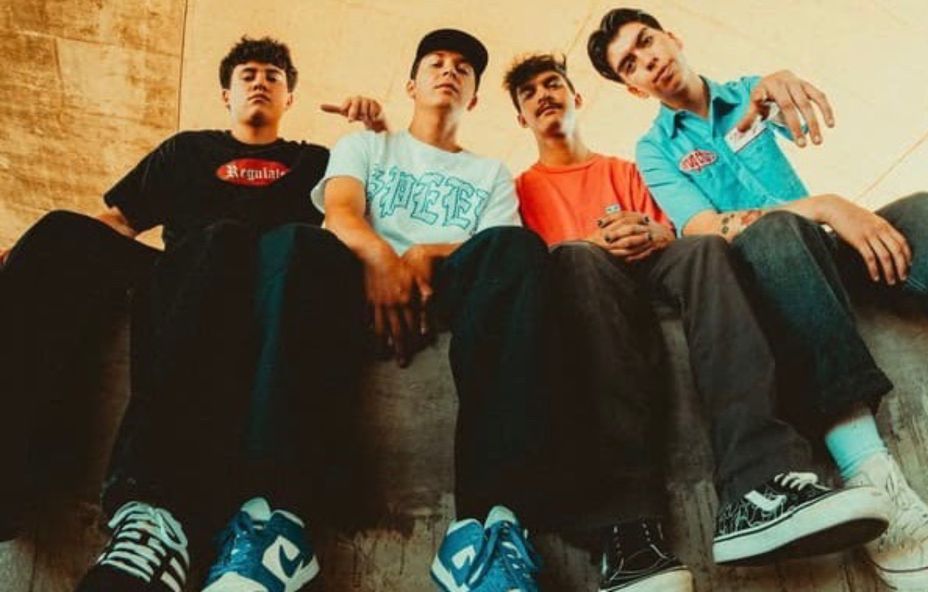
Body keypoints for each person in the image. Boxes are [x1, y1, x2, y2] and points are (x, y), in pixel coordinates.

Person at [588, 7, 928, 590]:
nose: (647, 60)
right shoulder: (654, 149)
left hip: (820, 252)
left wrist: (781, 86)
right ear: (632, 88)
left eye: (647, 42)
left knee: (924, 211)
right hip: (761, 272)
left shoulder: (750, 92)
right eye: (630, 64)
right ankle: (871, 475)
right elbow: (703, 228)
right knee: (775, 232)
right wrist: (827, 204)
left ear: (672, 37)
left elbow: (792, 113)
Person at [0, 36, 383, 592]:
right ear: (226, 93)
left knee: (225, 240)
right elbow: (118, 222)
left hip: (270, 283)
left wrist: (376, 140)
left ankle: (166, 519)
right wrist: (29, 254)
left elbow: (364, 219)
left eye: (273, 76)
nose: (260, 82)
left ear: (290, 97)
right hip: (180, 276)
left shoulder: (315, 161)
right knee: (59, 232)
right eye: (247, 74)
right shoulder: (185, 151)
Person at [504, 52, 892, 592]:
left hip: (647, 271)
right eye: (528, 93)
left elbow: (673, 230)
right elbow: (526, 272)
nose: (543, 95)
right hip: (585, 289)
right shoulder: (519, 188)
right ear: (520, 117)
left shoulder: (628, 168)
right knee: (575, 259)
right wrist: (591, 243)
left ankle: (757, 485)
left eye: (553, 84)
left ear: (577, 97)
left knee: (706, 249)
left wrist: (654, 235)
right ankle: (627, 532)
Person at [312, 29, 550, 592]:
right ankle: (282, 512)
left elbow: (495, 247)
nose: (449, 71)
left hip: (448, 291)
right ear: (411, 85)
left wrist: (423, 253)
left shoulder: (490, 172)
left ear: (474, 98)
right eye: (436, 62)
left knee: (518, 249)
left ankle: (487, 528)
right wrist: (383, 260)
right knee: (297, 247)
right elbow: (340, 214)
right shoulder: (367, 146)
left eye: (463, 68)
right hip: (360, 282)